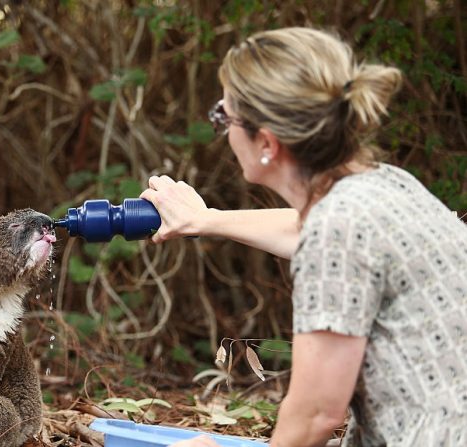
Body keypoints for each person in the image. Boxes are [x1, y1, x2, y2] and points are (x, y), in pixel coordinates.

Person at [139, 27, 467, 446]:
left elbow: (315, 415)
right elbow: (307, 229)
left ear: (267, 143)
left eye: (224, 117)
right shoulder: (387, 186)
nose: (223, 132)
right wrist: (207, 219)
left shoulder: (337, 230)